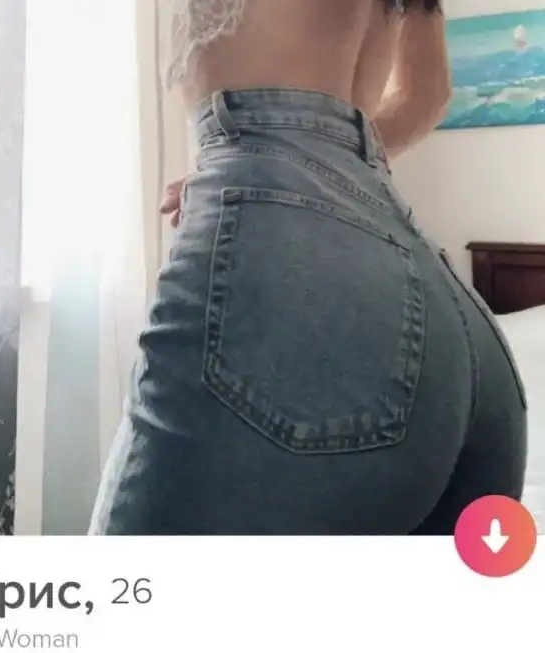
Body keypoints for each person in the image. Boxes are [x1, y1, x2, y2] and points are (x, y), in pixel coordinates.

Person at [89, 0, 527, 535]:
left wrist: (274, 175)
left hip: (278, 227)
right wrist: (314, 171)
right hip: (448, 307)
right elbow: (426, 94)